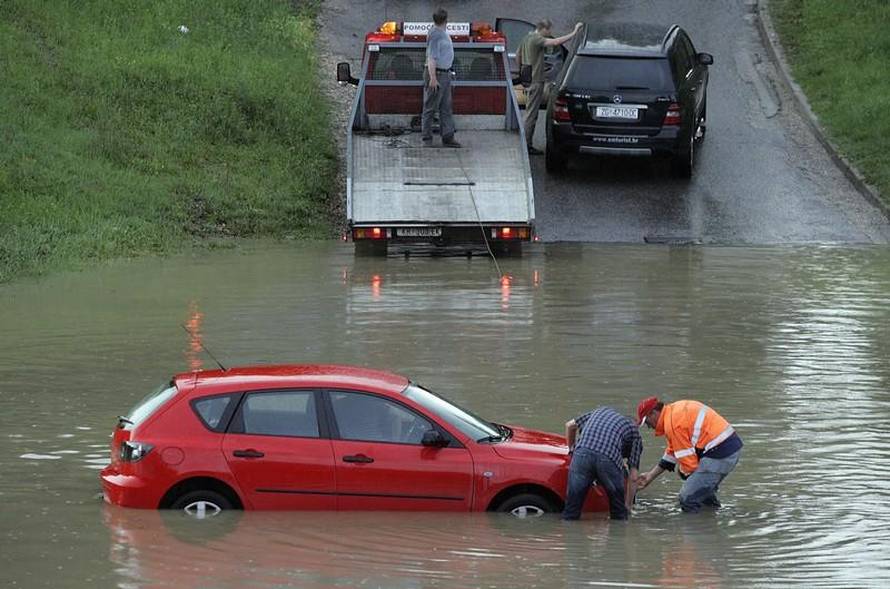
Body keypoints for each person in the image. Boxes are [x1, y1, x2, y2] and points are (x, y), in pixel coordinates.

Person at [636, 397, 743, 513]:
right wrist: (651, 475)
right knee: (700, 492)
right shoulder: (673, 412)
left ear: (653, 413)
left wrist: (685, 474)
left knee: (687, 498)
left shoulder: (672, 424)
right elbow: (673, 451)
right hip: (728, 447)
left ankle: (694, 529)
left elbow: (689, 466)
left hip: (719, 453)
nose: (649, 427)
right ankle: (711, 518)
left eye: (647, 422)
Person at [562, 406, 642, 521]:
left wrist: (571, 451)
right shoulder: (634, 431)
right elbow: (634, 477)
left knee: (571, 510)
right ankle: (617, 536)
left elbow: (569, 425)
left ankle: (569, 536)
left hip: (582, 453)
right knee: (619, 513)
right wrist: (628, 506)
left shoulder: (601, 411)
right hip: (608, 458)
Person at [516, 20, 583, 155]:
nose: (550, 34)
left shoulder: (526, 38)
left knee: (529, 111)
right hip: (536, 81)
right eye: (549, 31)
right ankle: (526, 145)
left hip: (528, 80)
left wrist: (522, 72)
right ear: (543, 29)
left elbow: (518, 55)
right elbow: (555, 42)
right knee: (531, 114)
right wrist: (574, 32)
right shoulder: (537, 39)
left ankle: (525, 143)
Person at [421, 8, 460, 148]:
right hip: (437, 74)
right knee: (430, 107)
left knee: (445, 107)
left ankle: (448, 137)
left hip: (445, 73)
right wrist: (432, 78)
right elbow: (431, 58)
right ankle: (427, 138)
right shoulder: (437, 35)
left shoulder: (439, 33)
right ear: (446, 20)